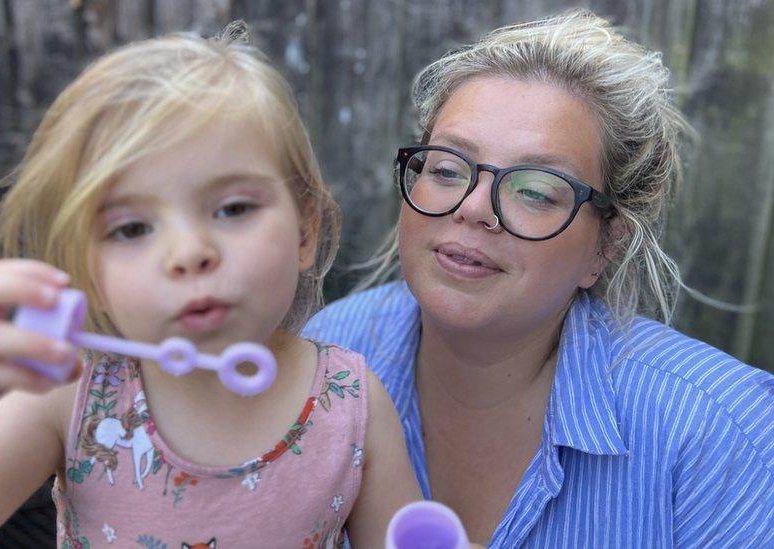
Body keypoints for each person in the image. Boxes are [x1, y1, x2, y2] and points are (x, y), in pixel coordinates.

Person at [0, 24, 421, 548]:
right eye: (131, 228)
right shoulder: (75, 388)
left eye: (232, 209)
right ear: (87, 264)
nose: (188, 253)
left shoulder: (349, 400)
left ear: (306, 229)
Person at [303, 9, 774, 548]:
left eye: (534, 190)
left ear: (607, 244)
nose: (475, 208)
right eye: (448, 169)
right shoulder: (332, 353)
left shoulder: (722, 432)